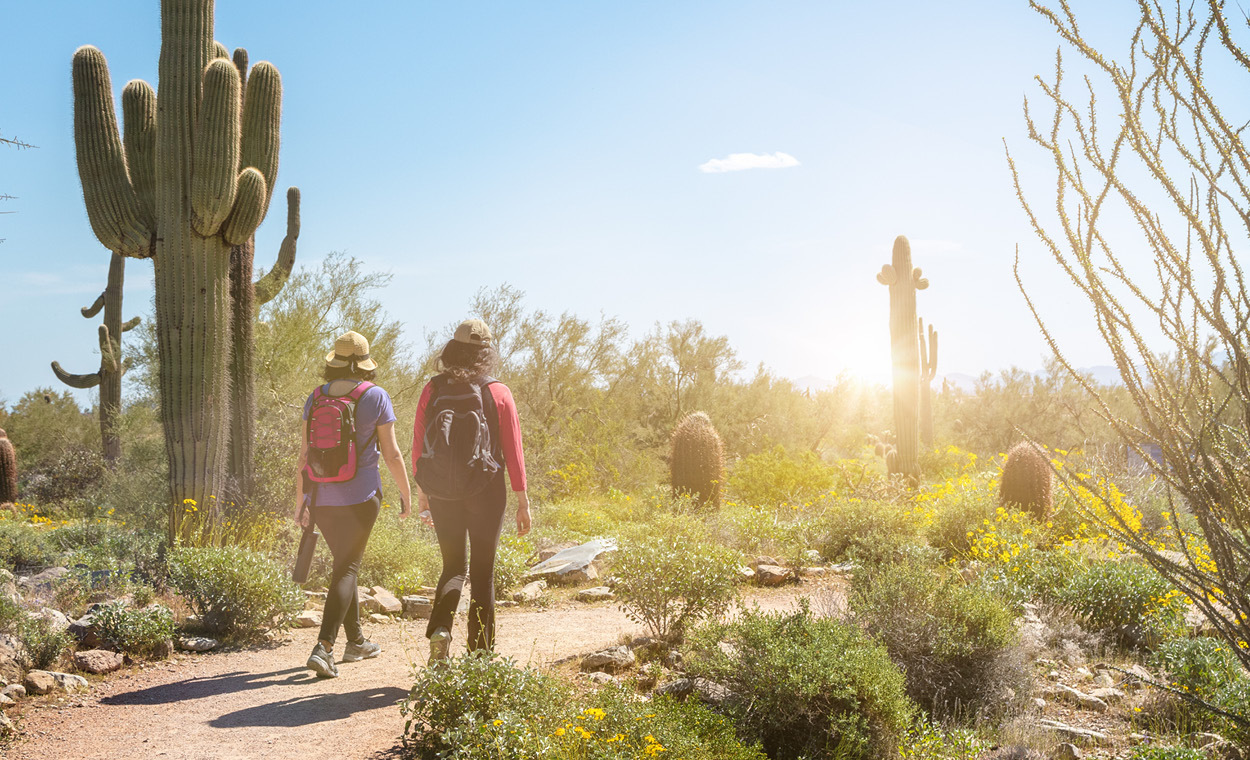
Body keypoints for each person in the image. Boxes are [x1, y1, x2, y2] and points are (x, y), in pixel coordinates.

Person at [412, 318, 531, 662]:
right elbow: (513, 451)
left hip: (442, 492)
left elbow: (419, 445)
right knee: (482, 572)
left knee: (452, 567)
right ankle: (480, 659)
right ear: (486, 354)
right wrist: (523, 500)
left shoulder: (432, 389)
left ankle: (440, 630)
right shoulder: (499, 392)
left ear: (452, 350)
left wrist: (424, 493)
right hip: (487, 490)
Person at [295, 330, 412, 678]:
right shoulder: (375, 396)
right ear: (364, 363)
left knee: (344, 566)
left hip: (320, 497)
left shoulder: (316, 397)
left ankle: (356, 641)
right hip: (361, 496)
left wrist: (301, 499)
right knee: (346, 568)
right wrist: (406, 493)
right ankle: (324, 647)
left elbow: (303, 455)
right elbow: (391, 453)